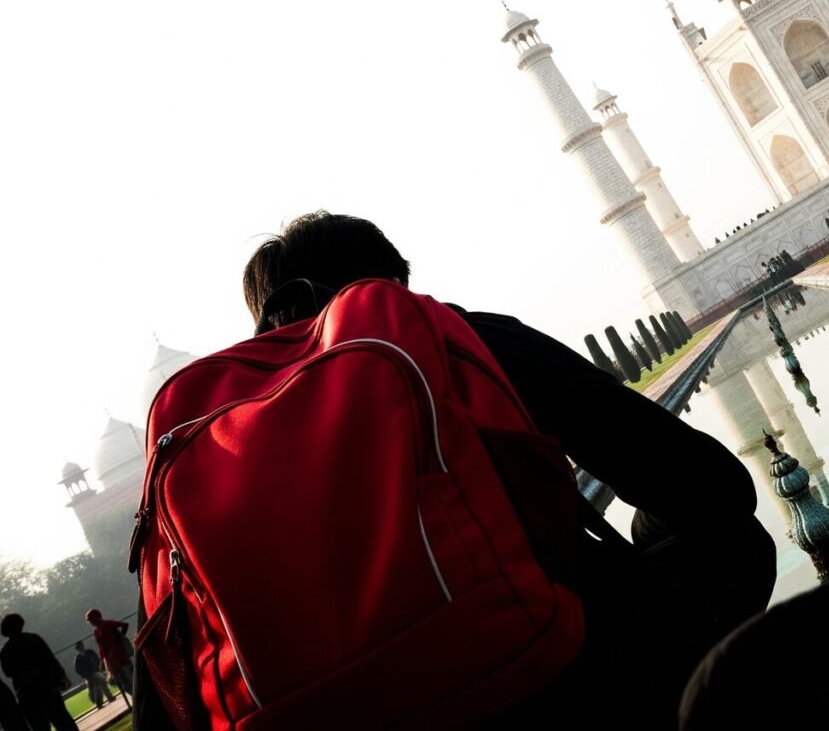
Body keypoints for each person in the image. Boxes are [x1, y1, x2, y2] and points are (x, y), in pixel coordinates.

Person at [130, 211, 772, 727]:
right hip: (553, 680)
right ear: (392, 289)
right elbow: (709, 484)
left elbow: (166, 680)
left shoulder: (201, 443)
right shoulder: (458, 340)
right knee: (741, 543)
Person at [0, 615, 76, 731]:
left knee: (40, 726)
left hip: (26, 692)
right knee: (63, 721)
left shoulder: (5, 650)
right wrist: (62, 677)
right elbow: (50, 659)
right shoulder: (33, 638)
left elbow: (8, 672)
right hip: (46, 686)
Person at [84, 610, 132, 710]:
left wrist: (120, 637)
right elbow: (101, 648)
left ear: (98, 617)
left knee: (129, 680)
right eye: (90, 621)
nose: (91, 623)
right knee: (123, 684)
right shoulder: (96, 631)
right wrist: (102, 661)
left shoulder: (108, 624)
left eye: (92, 620)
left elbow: (124, 625)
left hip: (121, 658)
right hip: (112, 662)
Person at [73, 641, 113, 711]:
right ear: (77, 648)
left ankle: (102, 701)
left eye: (81, 645)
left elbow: (97, 659)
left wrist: (98, 667)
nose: (82, 647)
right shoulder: (78, 659)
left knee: (100, 685)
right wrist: (85, 675)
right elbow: (78, 670)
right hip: (89, 675)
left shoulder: (89, 652)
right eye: (80, 646)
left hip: (95, 672)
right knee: (98, 686)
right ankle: (103, 700)